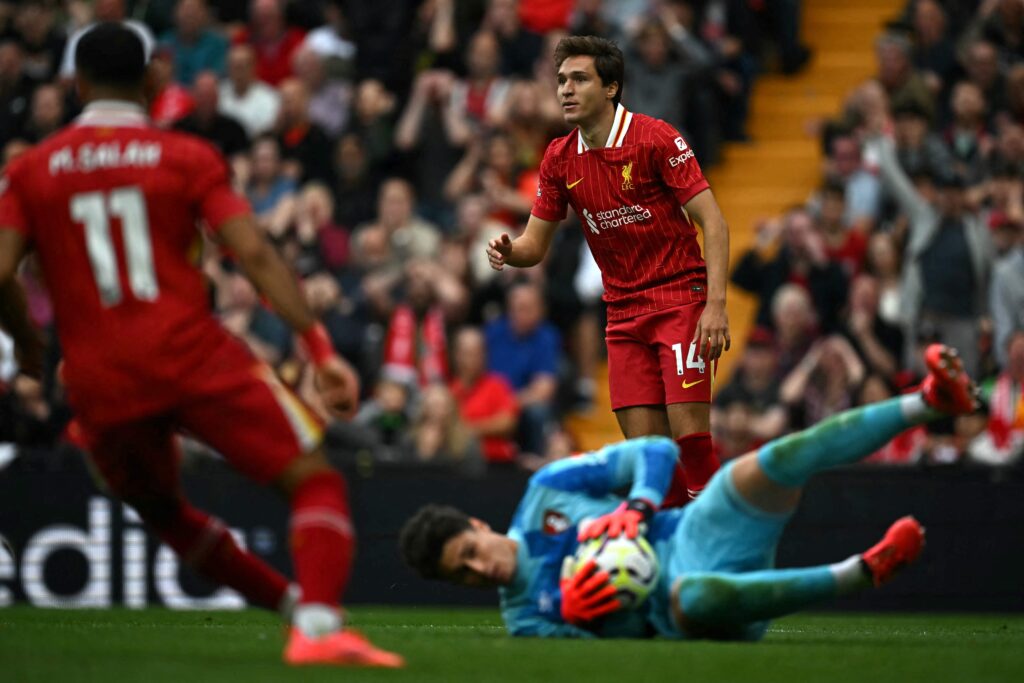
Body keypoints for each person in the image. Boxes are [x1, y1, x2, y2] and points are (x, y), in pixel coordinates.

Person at [0, 24, 400, 668]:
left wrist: (25, 345)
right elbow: (253, 253)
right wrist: (318, 348)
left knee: (164, 511)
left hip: (98, 378)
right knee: (313, 478)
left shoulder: (29, 171)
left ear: (75, 84)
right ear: (156, 81)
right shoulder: (185, 156)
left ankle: (295, 611)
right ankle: (320, 627)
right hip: (190, 354)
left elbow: (0, 274)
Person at [399, 344, 978, 640]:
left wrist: (638, 506)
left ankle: (929, 401)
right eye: (465, 575)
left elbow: (656, 451)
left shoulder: (546, 491)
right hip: (686, 607)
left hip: (694, 530)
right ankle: (862, 571)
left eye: (469, 552)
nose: (481, 569)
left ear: (476, 526)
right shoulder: (526, 620)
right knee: (690, 596)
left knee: (774, 459)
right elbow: (613, 653)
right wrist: (574, 622)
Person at [487, 35, 731, 502]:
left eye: (579, 79)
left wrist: (714, 306)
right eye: (561, 80)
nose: (565, 90)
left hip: (680, 299)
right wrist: (508, 250)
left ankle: (728, 541)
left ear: (611, 87)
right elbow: (534, 245)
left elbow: (713, 222)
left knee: (692, 444)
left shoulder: (657, 138)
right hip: (622, 315)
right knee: (649, 457)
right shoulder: (559, 158)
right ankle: (675, 550)